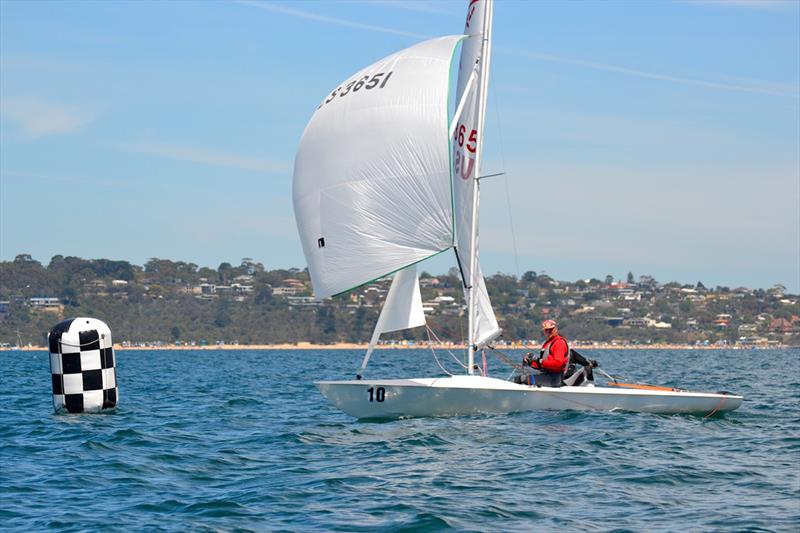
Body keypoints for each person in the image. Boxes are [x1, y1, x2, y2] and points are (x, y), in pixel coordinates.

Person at [523, 319, 569, 387]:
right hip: (547, 376)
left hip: (555, 379)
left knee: (522, 379)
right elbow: (542, 365)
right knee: (521, 378)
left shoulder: (559, 343)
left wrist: (538, 360)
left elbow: (558, 364)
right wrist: (530, 362)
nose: (548, 331)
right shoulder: (547, 343)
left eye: (551, 329)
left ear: (555, 329)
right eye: (546, 330)